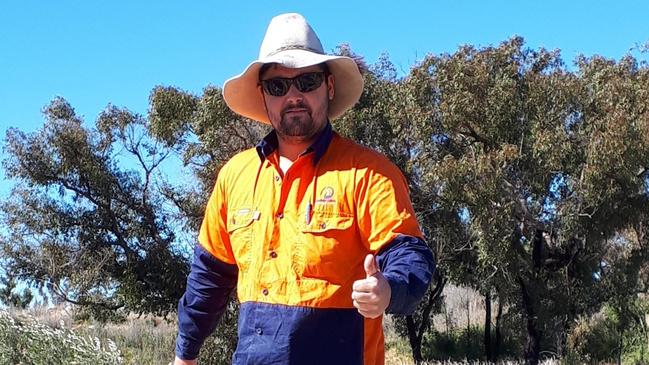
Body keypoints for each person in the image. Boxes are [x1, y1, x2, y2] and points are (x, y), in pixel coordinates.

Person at [174, 13, 435, 365]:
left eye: (307, 81)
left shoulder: (370, 173)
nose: (293, 96)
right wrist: (184, 356)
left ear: (328, 86)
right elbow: (209, 277)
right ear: (263, 96)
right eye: (278, 86)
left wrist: (388, 289)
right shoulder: (234, 176)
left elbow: (410, 257)